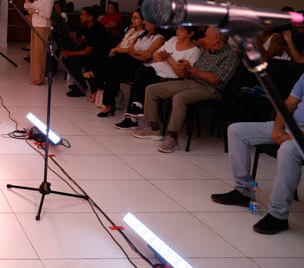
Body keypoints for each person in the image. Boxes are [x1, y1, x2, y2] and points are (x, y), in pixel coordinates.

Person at [211, 71, 304, 234]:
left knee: (288, 149)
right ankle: (243, 191)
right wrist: (277, 130)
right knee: (236, 131)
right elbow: (288, 104)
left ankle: (278, 216)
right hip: (292, 125)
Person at [134, 26, 239, 153]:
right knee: (152, 89)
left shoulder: (230, 56)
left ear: (217, 38)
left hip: (211, 89)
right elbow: (192, 71)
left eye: (206, 36)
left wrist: (190, 69)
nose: (203, 38)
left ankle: (172, 138)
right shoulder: (207, 52)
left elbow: (215, 79)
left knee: (179, 98)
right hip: (191, 82)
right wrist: (182, 66)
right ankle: (153, 129)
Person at [115, 25, 200, 129]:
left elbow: (182, 74)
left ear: (191, 34)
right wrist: (161, 57)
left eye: (182, 30)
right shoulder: (173, 40)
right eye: (177, 28)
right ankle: (136, 108)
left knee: (141, 78)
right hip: (156, 69)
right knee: (140, 73)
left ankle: (133, 116)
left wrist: (169, 59)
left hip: (171, 77)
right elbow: (155, 56)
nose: (178, 31)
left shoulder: (194, 51)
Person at [92, 17, 165, 117]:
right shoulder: (141, 36)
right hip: (132, 62)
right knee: (111, 67)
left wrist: (133, 53)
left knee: (111, 63)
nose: (145, 22)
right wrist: (136, 53)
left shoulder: (159, 38)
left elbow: (147, 57)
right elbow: (130, 50)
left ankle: (96, 74)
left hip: (144, 67)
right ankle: (109, 104)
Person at [62, 6, 110, 97]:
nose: (80, 17)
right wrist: (74, 38)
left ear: (90, 17)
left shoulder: (97, 29)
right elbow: (81, 43)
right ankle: (80, 83)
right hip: (91, 54)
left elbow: (88, 52)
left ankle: (81, 88)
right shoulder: (86, 27)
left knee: (74, 59)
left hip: (99, 57)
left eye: (83, 15)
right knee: (70, 59)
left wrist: (69, 53)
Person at [24, 0, 53, 85]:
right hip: (35, 26)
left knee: (40, 52)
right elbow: (27, 6)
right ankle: (37, 76)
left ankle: (41, 77)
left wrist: (35, 11)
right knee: (35, 52)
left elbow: (47, 14)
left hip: (42, 27)